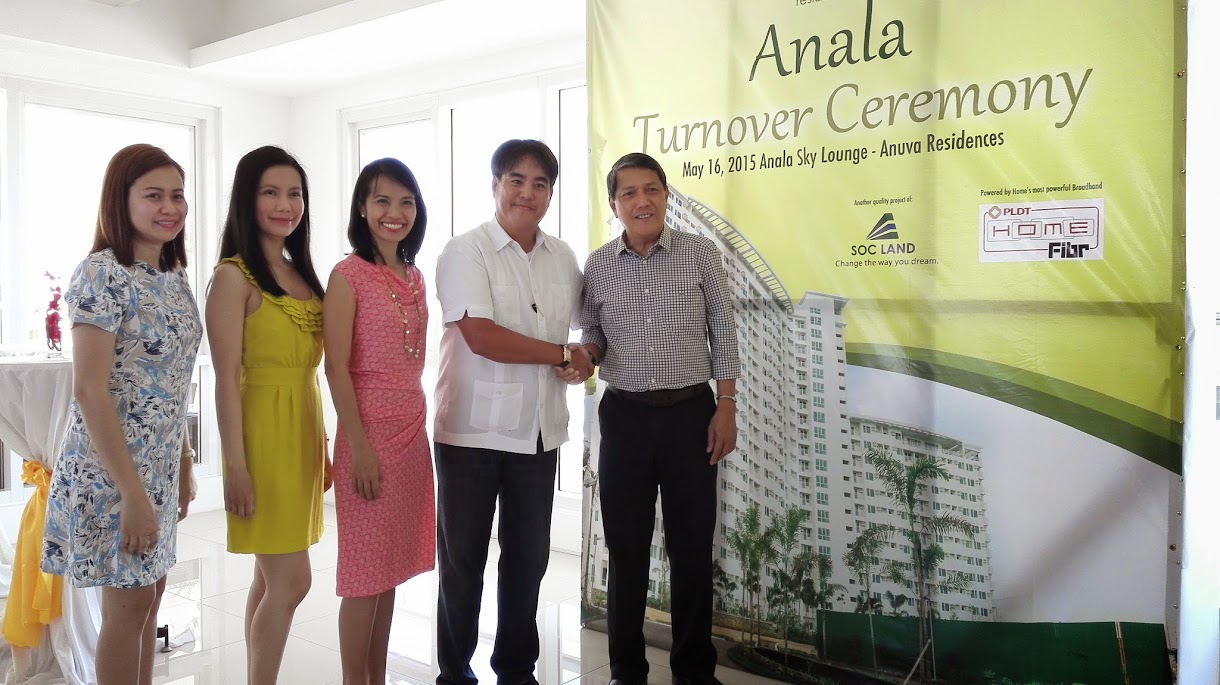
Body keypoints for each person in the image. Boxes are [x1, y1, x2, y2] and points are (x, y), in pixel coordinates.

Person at [41, 143, 202, 685]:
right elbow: (89, 390)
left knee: (151, 598)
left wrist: (184, 460)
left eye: (177, 195)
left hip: (158, 466)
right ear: (120, 200)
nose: (170, 207)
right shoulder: (101, 273)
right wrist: (132, 493)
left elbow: (174, 382)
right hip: (112, 471)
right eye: (153, 195)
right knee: (128, 609)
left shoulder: (173, 275)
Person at [433, 139, 590, 685]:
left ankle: (517, 669)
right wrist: (561, 353)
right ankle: (455, 673)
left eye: (540, 183)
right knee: (462, 562)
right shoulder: (465, 250)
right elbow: (481, 336)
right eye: (516, 180)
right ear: (495, 185)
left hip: (539, 432)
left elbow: (588, 327)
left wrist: (585, 355)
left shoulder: (562, 256)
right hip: (471, 433)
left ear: (550, 193)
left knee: (528, 560)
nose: (528, 193)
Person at [579, 152, 740, 685]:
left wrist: (726, 404)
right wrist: (584, 355)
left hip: (691, 416)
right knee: (625, 550)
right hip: (624, 418)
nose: (641, 201)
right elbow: (593, 334)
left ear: (666, 195)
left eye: (651, 189)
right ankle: (626, 671)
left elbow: (724, 329)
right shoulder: (599, 265)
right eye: (628, 192)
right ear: (614, 204)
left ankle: (694, 671)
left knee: (691, 548)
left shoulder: (699, 253)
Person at [205, 145, 330, 684]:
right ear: (246, 200)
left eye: (294, 193)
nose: (285, 205)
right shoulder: (233, 277)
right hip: (262, 438)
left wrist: (324, 447)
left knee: (269, 577)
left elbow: (311, 373)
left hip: (302, 431)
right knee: (292, 582)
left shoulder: (299, 272)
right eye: (271, 193)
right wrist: (235, 465)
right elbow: (225, 378)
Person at [323, 158, 436, 684]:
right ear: (362, 208)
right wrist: (360, 448)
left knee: (388, 571)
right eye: (382, 200)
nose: (395, 212)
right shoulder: (347, 276)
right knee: (363, 576)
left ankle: (377, 676)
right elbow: (336, 368)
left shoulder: (414, 276)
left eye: (405, 201)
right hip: (367, 436)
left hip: (411, 433)